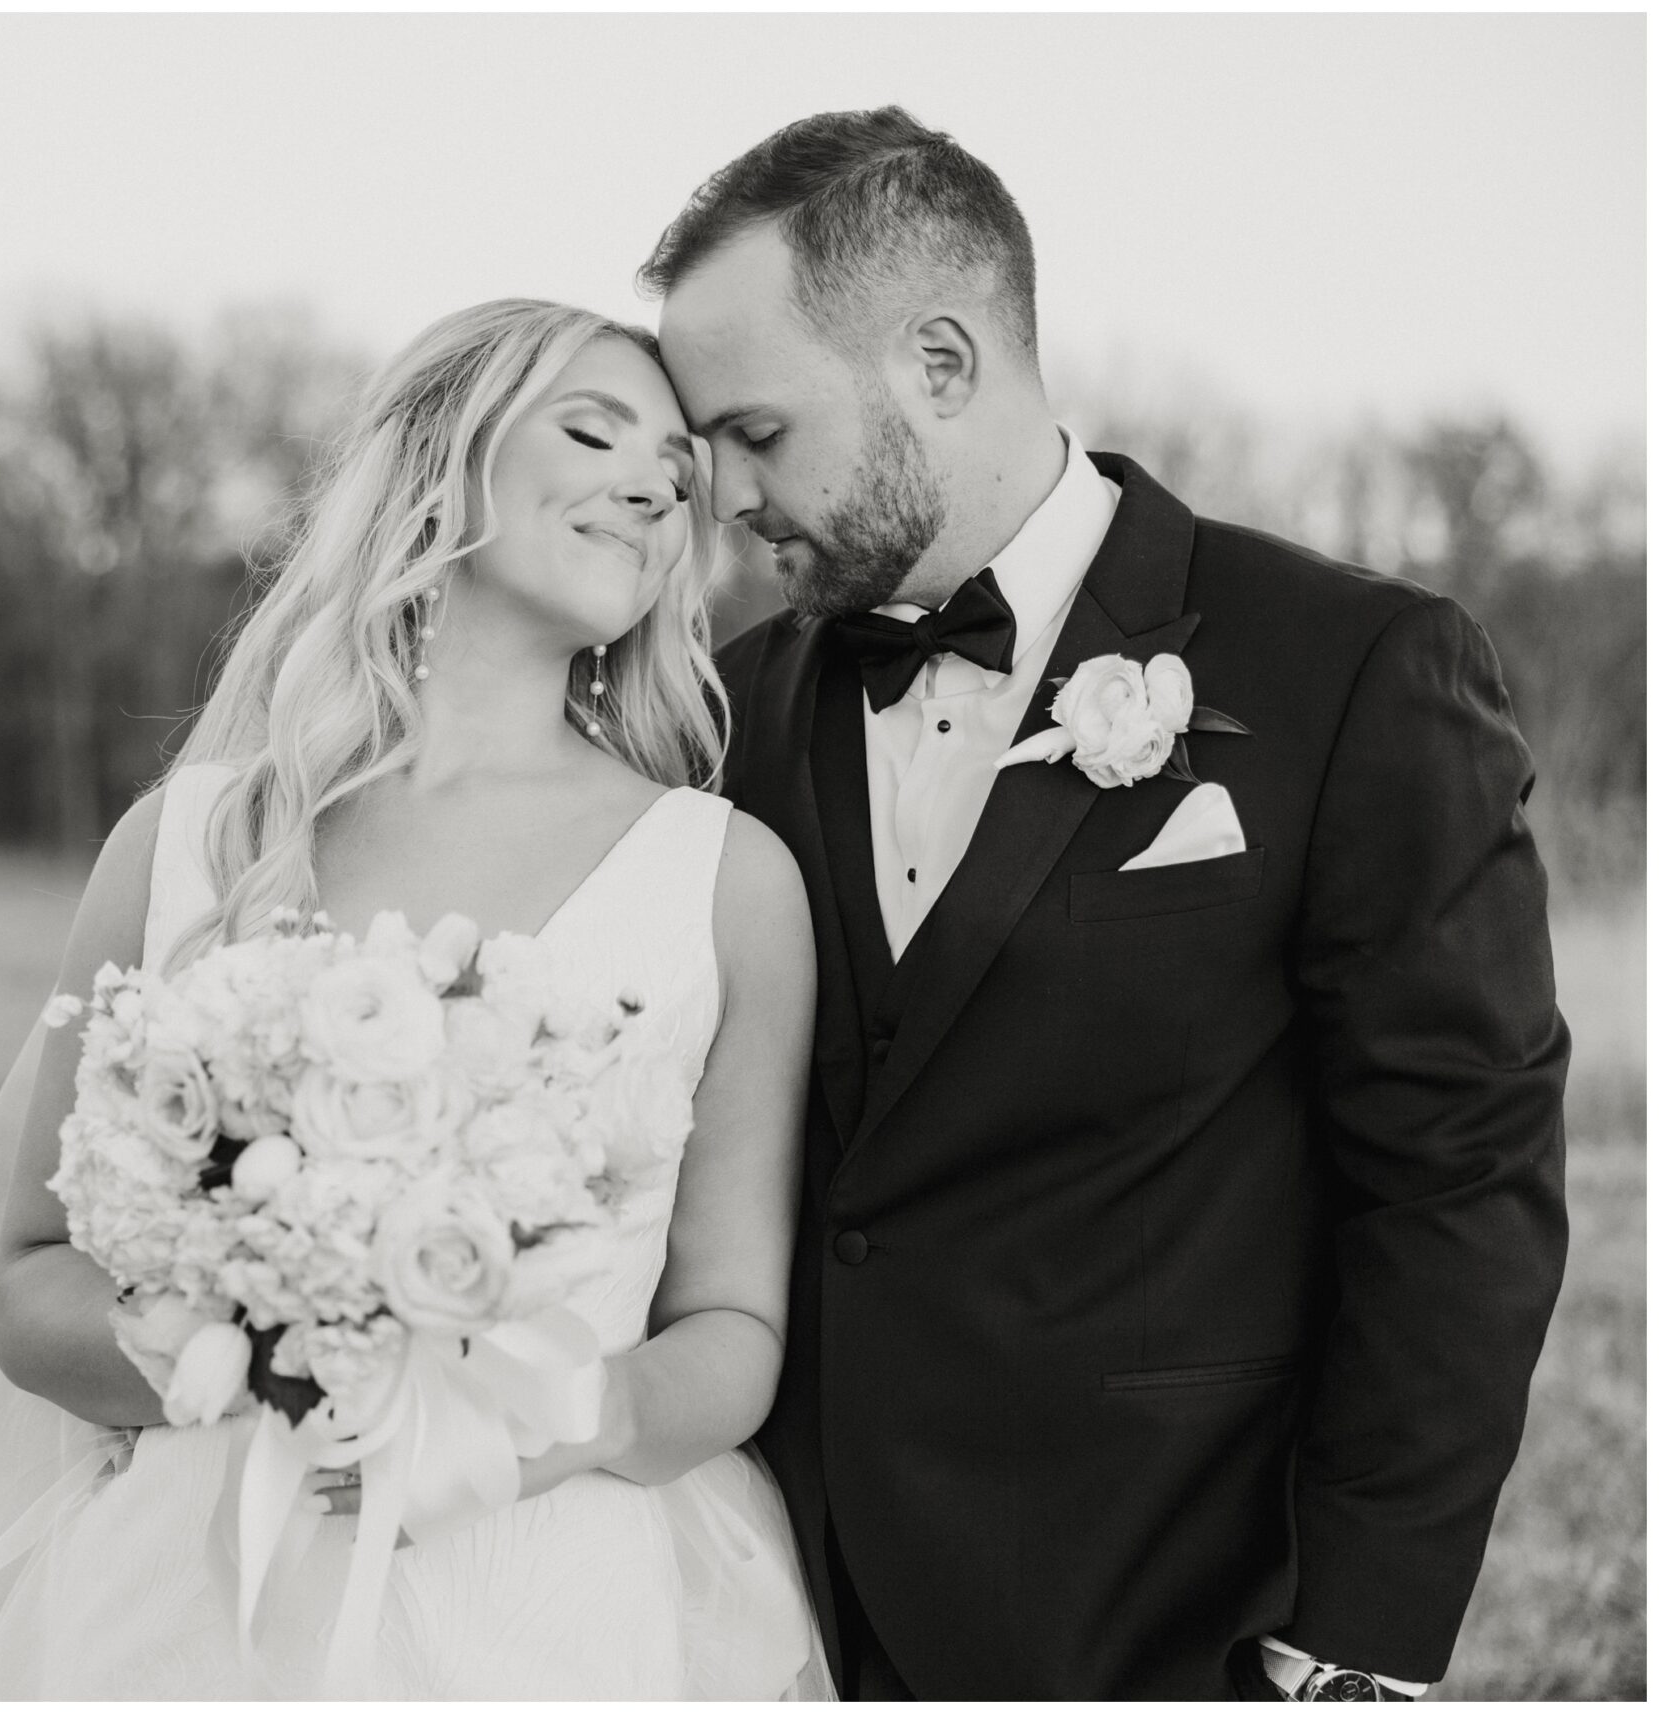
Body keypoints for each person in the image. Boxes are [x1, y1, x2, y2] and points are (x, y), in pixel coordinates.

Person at [645, 107, 1570, 1700]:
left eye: (756, 432)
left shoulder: (1349, 670)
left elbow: (1459, 1184)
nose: (725, 496)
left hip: (1171, 1614)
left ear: (940, 362)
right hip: (778, 1613)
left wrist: (1354, 1647)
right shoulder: (722, 720)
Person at [0, 299, 836, 1699]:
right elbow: (33, 1282)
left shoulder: (724, 879)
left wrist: (561, 1421)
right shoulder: (195, 843)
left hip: (539, 1599)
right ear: (435, 463)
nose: (653, 484)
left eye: (677, 474)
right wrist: (263, 1350)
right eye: (592, 431)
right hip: (187, 1590)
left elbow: (734, 1326)